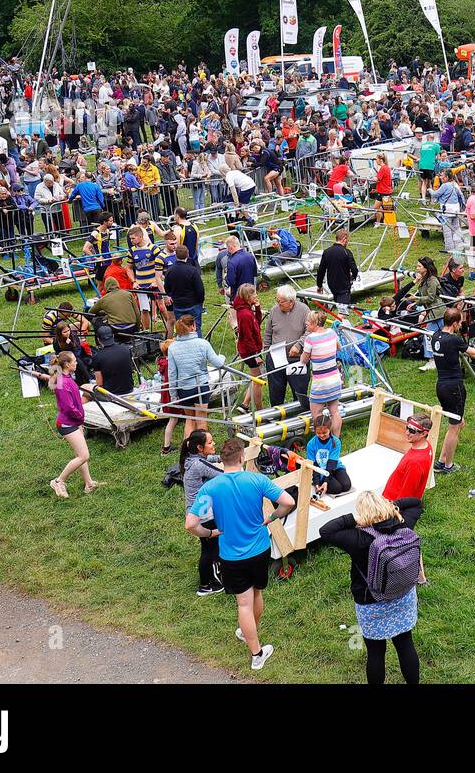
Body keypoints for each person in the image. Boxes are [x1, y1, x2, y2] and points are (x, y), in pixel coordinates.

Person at [185, 437, 295, 670]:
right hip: (259, 549)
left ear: (222, 460)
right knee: (256, 595)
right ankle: (253, 643)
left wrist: (210, 533)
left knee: (243, 604)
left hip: (231, 555)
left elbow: (191, 524)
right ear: (242, 457)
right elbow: (288, 501)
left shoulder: (211, 488)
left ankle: (255, 649)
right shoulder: (256, 479)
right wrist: (272, 517)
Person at [319, 491, 423, 684]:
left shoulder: (358, 539)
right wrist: (392, 506)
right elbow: (416, 503)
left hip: (370, 601)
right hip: (403, 595)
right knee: (405, 644)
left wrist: (353, 518)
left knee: (375, 652)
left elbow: (326, 531)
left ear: (362, 514)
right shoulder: (404, 524)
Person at [42, 351, 100, 498]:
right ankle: (58, 481)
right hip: (68, 424)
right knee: (84, 455)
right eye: (74, 361)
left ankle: (88, 483)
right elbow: (68, 407)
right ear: (67, 365)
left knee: (79, 454)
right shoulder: (63, 382)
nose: (76, 362)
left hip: (74, 422)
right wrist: (80, 416)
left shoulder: (66, 378)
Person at [431, 308, 475, 475]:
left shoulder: (436, 336)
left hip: (441, 385)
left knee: (459, 423)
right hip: (454, 387)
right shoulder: (454, 340)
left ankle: (441, 460)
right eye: (460, 323)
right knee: (454, 427)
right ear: (455, 323)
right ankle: (448, 465)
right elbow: (473, 353)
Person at [168, 313, 223, 438]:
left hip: (184, 389)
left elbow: (172, 374)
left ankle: (187, 452)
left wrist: (173, 395)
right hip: (200, 386)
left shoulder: (172, 347)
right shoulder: (203, 343)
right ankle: (204, 452)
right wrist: (222, 357)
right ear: (193, 326)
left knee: (190, 419)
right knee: (201, 420)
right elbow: (218, 363)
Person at [263, 286, 309, 408]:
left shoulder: (304, 310)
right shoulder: (274, 311)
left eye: (281, 301)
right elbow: (268, 332)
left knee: (299, 390)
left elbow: (309, 331)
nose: (278, 304)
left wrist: (299, 345)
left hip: (297, 359)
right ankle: (277, 417)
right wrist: (267, 351)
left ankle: (301, 415)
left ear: (291, 301)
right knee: (276, 391)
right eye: (277, 300)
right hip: (276, 358)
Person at [301, 311, 344, 438]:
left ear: (315, 323)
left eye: (308, 322)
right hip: (334, 379)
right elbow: (338, 348)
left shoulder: (310, 339)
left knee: (316, 413)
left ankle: (322, 438)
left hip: (320, 383)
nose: (306, 324)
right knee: (334, 412)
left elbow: (304, 360)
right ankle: (336, 438)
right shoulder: (332, 332)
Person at [382, 413, 435, 501]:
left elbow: (406, 496)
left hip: (391, 503)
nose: (407, 433)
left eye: (412, 431)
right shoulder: (426, 446)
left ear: (424, 433)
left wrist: (392, 510)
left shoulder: (415, 462)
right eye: (407, 427)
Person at [232, 283, 264, 412]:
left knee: (255, 377)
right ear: (247, 296)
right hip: (250, 351)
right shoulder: (244, 314)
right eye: (254, 294)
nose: (256, 295)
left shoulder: (247, 309)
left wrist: (258, 309)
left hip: (252, 349)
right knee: (258, 381)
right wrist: (256, 355)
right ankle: (260, 410)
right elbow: (247, 336)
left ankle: (245, 405)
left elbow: (256, 322)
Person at [164, 244, 206, 333]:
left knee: (181, 329)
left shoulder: (169, 271)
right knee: (196, 327)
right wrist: (200, 301)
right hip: (193, 304)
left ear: (175, 255)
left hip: (178, 305)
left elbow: (167, 289)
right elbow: (200, 289)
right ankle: (197, 346)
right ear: (187, 255)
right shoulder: (193, 270)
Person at [306, 414, 351, 496]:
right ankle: (324, 481)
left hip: (334, 468)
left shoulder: (336, 442)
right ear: (315, 431)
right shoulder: (311, 444)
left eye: (324, 433)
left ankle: (330, 479)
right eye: (318, 433)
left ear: (329, 429)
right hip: (321, 471)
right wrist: (316, 482)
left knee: (346, 486)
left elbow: (332, 463)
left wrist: (326, 481)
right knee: (337, 489)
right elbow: (313, 465)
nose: (322, 435)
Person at [316, 229, 358, 309]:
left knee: (339, 305)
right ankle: (338, 319)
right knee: (343, 312)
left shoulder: (327, 252)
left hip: (332, 285)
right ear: (344, 239)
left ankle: (336, 313)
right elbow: (354, 269)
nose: (347, 242)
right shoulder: (346, 252)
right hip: (343, 285)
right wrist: (353, 277)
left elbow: (321, 270)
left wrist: (319, 285)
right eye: (347, 240)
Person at [90, 326, 136, 397]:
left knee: (85, 388)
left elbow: (99, 384)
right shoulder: (126, 350)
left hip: (111, 395)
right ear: (113, 336)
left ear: (98, 340)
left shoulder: (97, 357)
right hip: (129, 389)